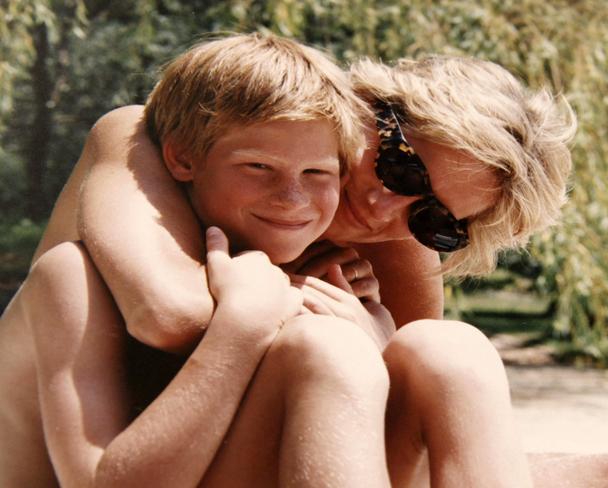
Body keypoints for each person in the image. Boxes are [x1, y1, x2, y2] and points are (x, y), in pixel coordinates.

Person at [0, 34, 395, 487]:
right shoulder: (73, 277)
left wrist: (378, 335)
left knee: (452, 356)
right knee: (328, 348)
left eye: (317, 173)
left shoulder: (297, 276)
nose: (292, 197)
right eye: (258, 167)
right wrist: (243, 326)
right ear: (182, 159)